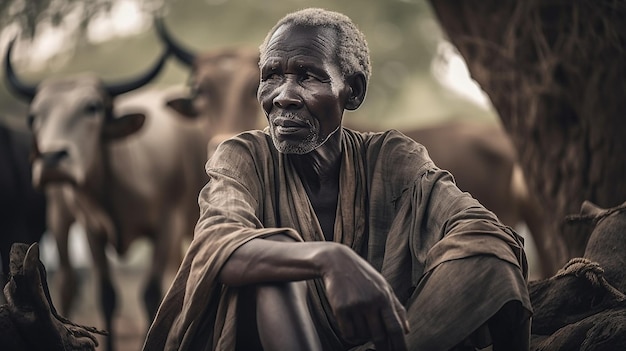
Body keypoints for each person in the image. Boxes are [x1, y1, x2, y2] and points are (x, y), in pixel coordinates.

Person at [143, 8, 532, 351]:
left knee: (492, 256)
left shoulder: (393, 158)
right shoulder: (242, 156)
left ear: (354, 91)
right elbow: (217, 242)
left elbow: (481, 230)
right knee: (272, 263)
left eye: (308, 76)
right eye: (271, 76)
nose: (283, 96)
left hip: (396, 338)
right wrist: (329, 259)